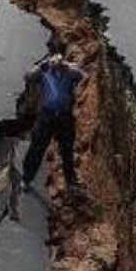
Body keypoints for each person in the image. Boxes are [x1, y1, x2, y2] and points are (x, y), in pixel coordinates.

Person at [21, 42, 86, 194]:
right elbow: (27, 76)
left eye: (59, 63)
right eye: (54, 64)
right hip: (47, 114)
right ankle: (26, 178)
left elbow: (83, 76)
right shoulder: (44, 71)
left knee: (67, 149)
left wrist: (69, 66)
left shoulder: (70, 72)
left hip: (64, 116)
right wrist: (42, 64)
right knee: (37, 147)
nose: (56, 67)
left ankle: (71, 182)